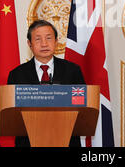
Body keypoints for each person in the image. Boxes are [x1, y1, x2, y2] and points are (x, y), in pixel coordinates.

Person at [7, 19, 85, 147]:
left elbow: (82, 106)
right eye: (38, 39)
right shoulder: (17, 74)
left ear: (56, 41)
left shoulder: (72, 71)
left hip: (67, 141)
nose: (44, 44)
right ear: (29, 44)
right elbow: (12, 114)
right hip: (28, 142)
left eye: (49, 38)